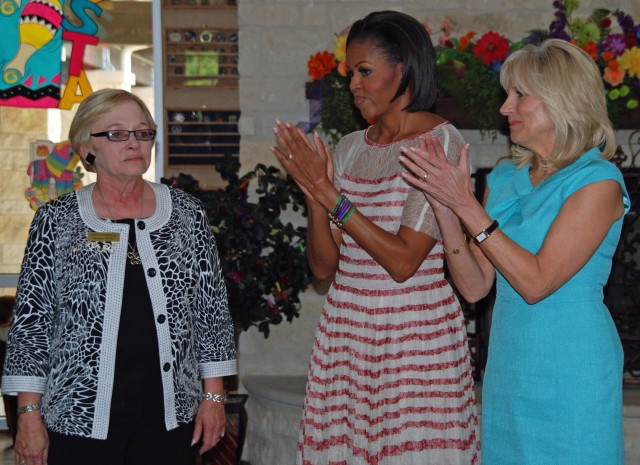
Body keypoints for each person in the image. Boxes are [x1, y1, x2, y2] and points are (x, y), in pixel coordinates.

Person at [400, 38, 629, 464]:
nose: (505, 108)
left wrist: (467, 205)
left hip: (573, 367)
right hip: (508, 366)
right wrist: (447, 210)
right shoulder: (504, 177)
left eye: (519, 95)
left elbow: (537, 282)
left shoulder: (599, 181)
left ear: (562, 100)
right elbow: (473, 286)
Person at [272, 10, 479, 465]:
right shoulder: (349, 147)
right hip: (348, 332)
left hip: (413, 339)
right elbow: (324, 268)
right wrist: (314, 194)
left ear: (401, 69)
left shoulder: (437, 144)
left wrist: (332, 196)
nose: (354, 85)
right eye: (351, 75)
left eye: (365, 72)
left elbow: (404, 262)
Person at [2, 88, 238, 465]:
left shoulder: (186, 215)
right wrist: (28, 416)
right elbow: (32, 324)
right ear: (85, 148)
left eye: (142, 133)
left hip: (170, 419)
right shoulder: (56, 220)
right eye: (116, 133)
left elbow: (211, 313)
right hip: (77, 422)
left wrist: (214, 398)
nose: (134, 143)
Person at [0, 295, 17, 448]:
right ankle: (15, 438)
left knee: (12, 409)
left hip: (12, 378)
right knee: (12, 409)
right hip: (9, 378)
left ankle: (16, 438)